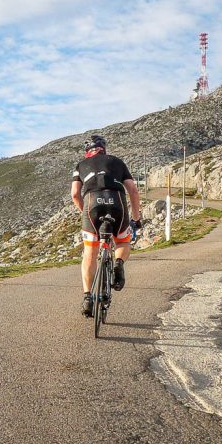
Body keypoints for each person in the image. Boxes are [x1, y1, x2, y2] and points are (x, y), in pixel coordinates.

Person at [70, 134, 142, 317]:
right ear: (104, 148)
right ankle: (118, 264)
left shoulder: (80, 165)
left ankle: (87, 297)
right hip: (116, 201)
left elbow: (74, 194)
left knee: (90, 253)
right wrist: (135, 218)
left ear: (88, 151)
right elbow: (133, 190)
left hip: (91, 204)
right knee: (123, 242)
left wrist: (84, 212)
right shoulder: (117, 162)